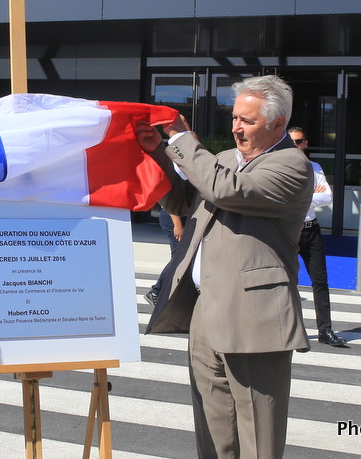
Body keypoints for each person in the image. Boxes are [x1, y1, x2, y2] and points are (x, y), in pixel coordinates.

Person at [137, 74, 313, 459]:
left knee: (257, 436)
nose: (236, 127)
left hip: (255, 314)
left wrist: (182, 139)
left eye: (247, 121)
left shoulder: (292, 165)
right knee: (212, 427)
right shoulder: (222, 160)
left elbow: (226, 191)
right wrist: (157, 153)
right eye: (234, 118)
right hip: (206, 306)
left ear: (278, 124)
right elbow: (184, 201)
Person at [288, 127, 347, 348]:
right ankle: (293, 331)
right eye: (292, 141)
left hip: (311, 230)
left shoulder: (314, 168)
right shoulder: (280, 167)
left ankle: (325, 330)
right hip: (290, 229)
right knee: (288, 282)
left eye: (299, 141)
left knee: (320, 281)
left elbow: (326, 196)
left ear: (305, 144)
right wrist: (310, 196)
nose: (296, 145)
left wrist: (301, 199)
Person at [145, 207, 184, 306]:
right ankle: (156, 291)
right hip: (174, 218)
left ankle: (165, 293)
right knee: (180, 257)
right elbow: (171, 202)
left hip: (181, 218)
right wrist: (178, 225)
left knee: (178, 256)